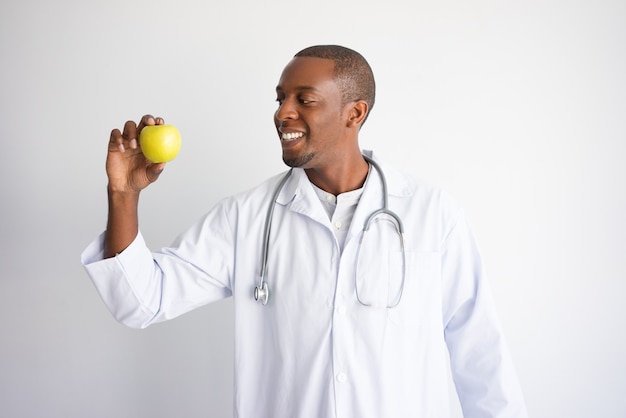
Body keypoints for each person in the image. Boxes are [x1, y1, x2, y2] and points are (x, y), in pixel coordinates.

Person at [81, 45, 528, 417]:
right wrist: (123, 194)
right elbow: (139, 301)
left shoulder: (432, 214)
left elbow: (481, 357)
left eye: (304, 99)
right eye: (279, 98)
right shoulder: (247, 217)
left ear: (355, 112)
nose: (283, 113)